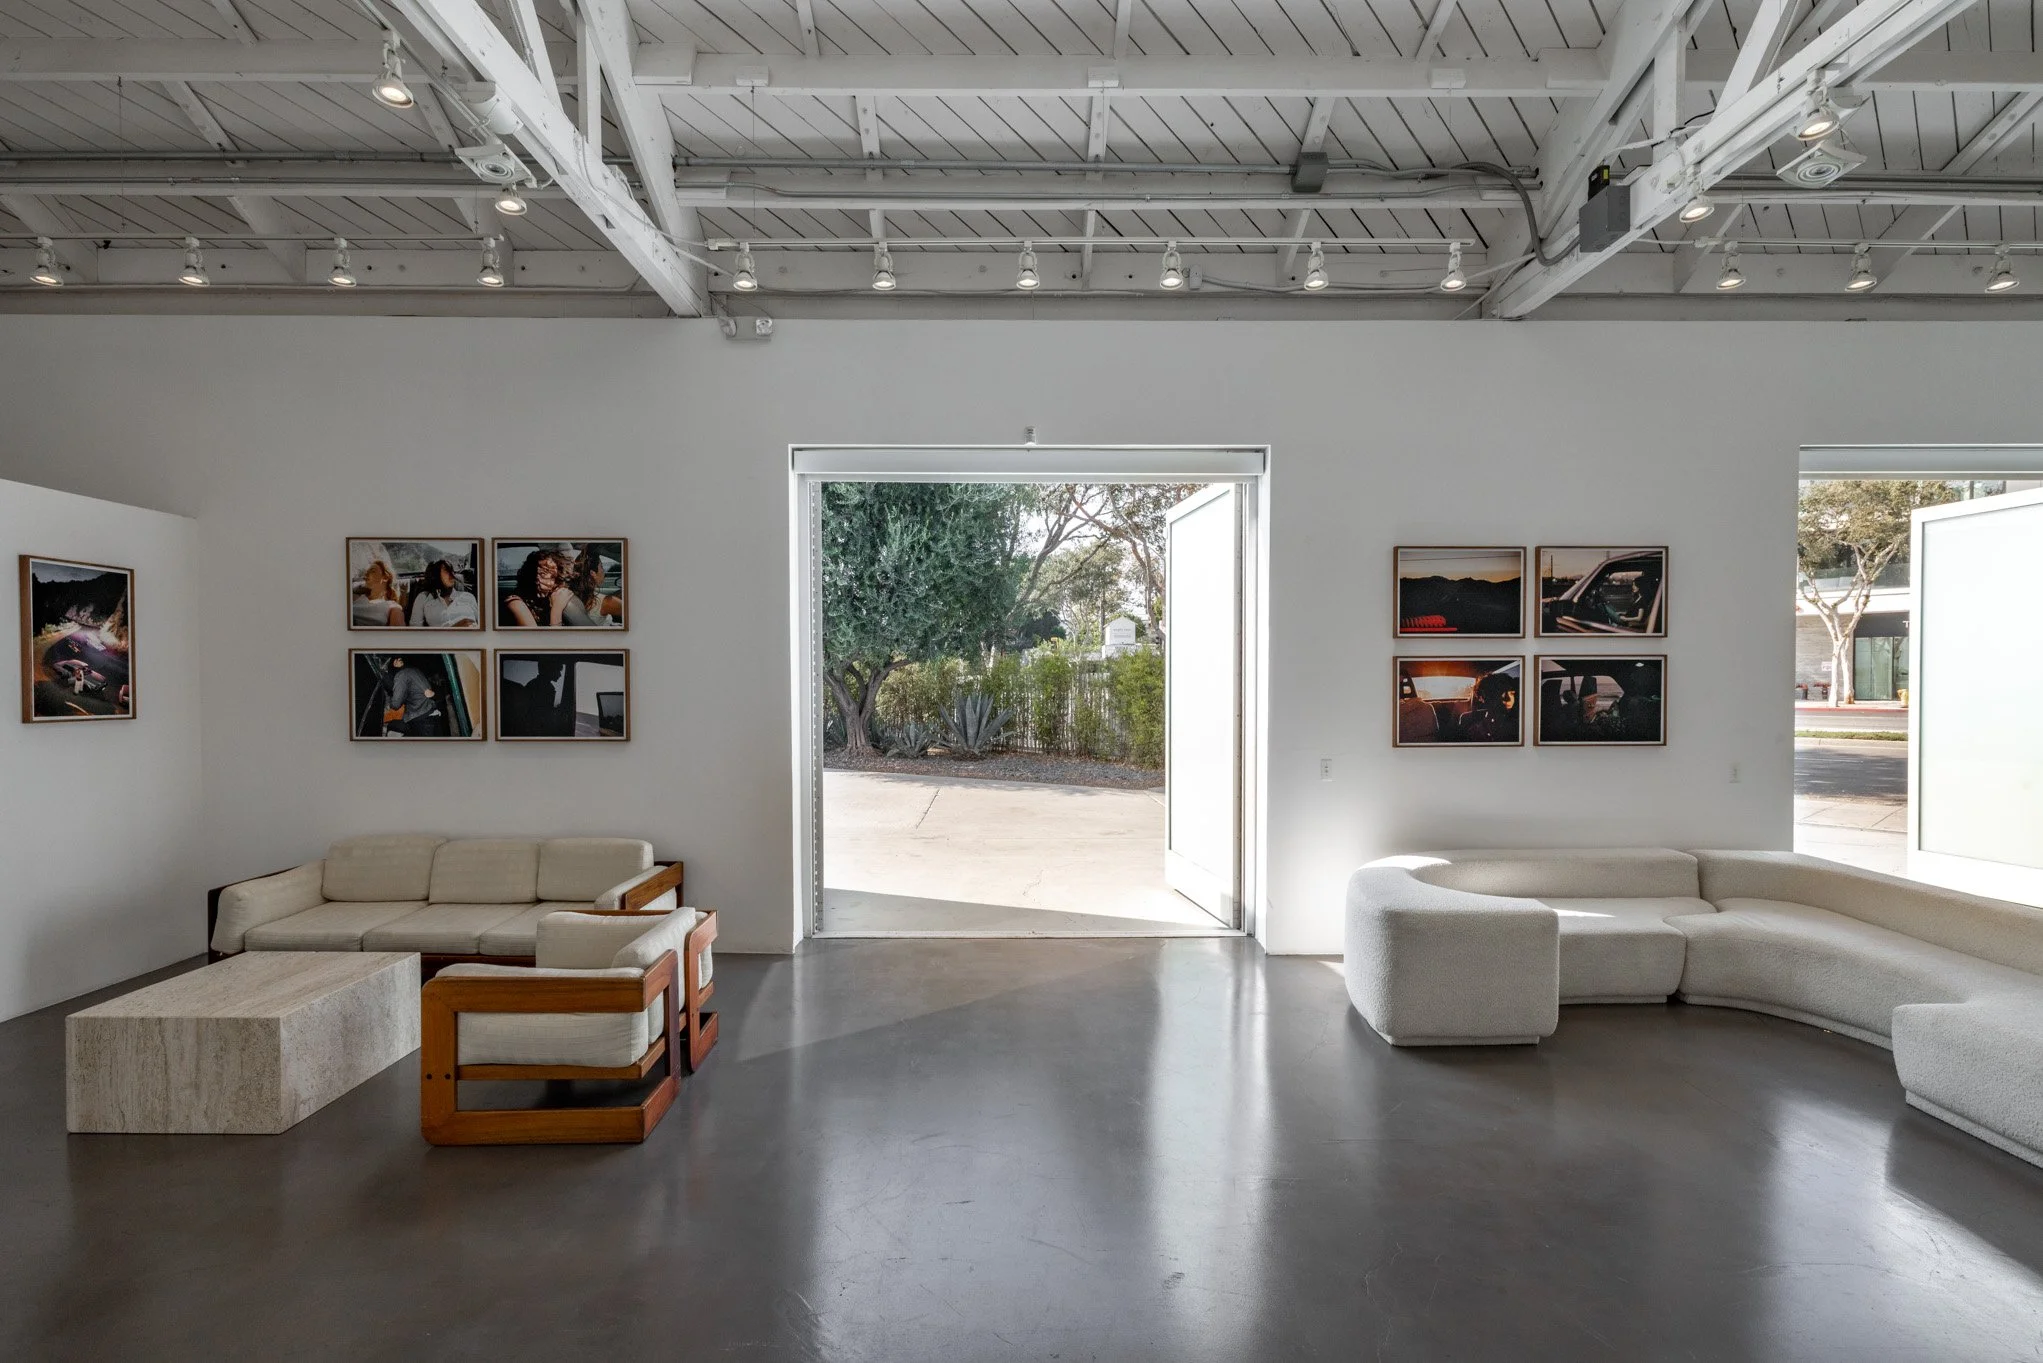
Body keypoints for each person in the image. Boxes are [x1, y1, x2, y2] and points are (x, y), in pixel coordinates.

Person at [502, 549, 572, 628]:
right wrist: (556, 610)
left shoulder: (546, 600)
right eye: (543, 574)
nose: (551, 583)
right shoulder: (515, 604)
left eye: (554, 577)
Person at [559, 546, 623, 627]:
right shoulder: (607, 602)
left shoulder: (575, 595)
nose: (603, 571)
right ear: (593, 573)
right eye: (601, 567)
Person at [382, 656, 445, 738]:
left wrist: (389, 704)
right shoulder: (415, 670)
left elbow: (396, 704)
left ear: (395, 662)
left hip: (420, 718)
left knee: (391, 726)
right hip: (432, 713)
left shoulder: (402, 675)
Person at [408, 559, 481, 628]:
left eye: (452, 570)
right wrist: (455, 629)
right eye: (446, 571)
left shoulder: (468, 597)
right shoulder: (424, 597)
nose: (452, 574)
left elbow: (482, 626)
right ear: (436, 575)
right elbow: (414, 630)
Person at [1459, 666, 1518, 743]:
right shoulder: (1473, 730)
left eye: (1511, 693)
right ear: (1484, 696)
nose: (1508, 698)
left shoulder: (1519, 725)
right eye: (1500, 692)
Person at [352, 556, 406, 627]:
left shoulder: (393, 607)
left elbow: (398, 633)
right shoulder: (356, 597)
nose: (366, 575)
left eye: (372, 571)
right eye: (366, 572)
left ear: (385, 578)